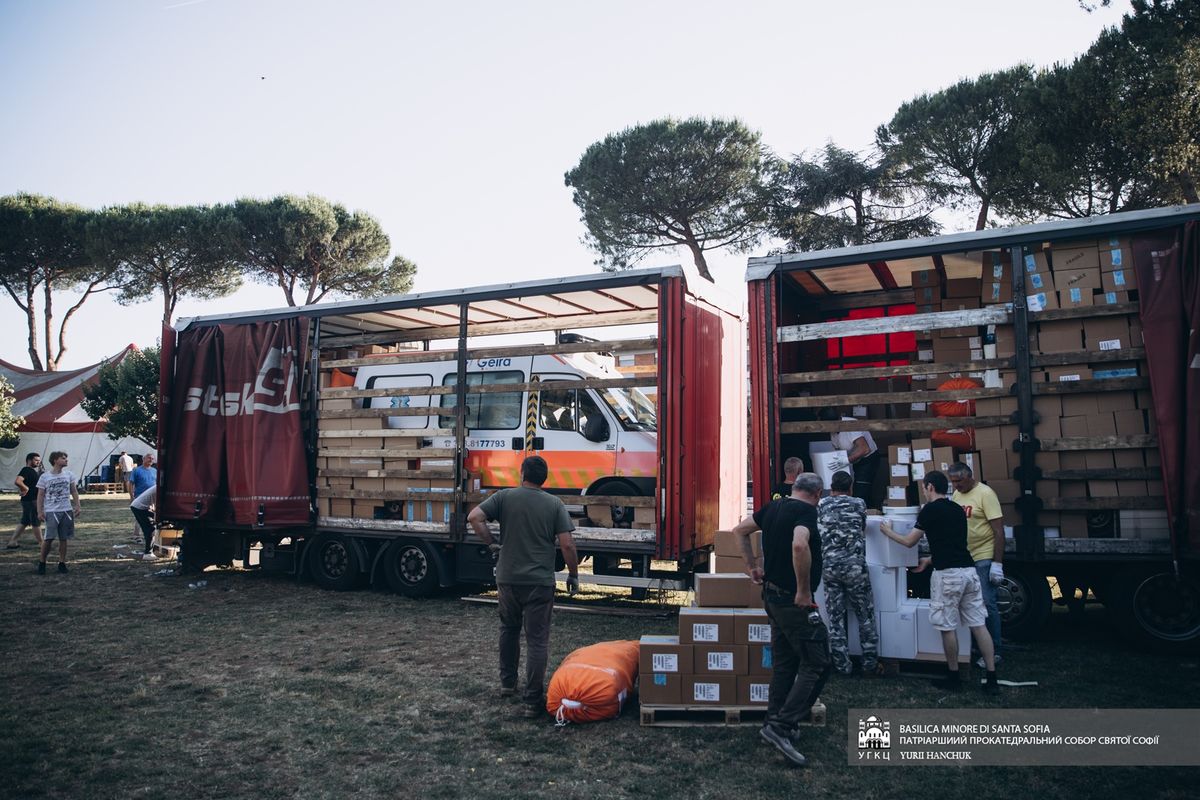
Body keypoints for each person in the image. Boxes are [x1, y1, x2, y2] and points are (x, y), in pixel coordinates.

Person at [466, 455, 579, 719]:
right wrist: (573, 574)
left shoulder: (505, 497)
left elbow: (475, 517)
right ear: (545, 479)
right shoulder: (554, 504)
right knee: (537, 640)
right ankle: (531, 700)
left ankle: (507, 684)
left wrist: (492, 543)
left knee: (508, 629)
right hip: (539, 582)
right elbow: (568, 545)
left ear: (521, 473)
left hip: (507, 579)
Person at [730, 472, 830, 767]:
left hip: (772, 598)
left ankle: (774, 719)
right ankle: (782, 726)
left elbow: (739, 531)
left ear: (794, 488)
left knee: (786, 663)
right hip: (792, 601)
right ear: (817, 494)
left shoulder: (772, 507)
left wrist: (752, 566)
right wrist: (803, 590)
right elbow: (800, 545)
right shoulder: (806, 512)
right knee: (818, 662)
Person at [879, 470, 998, 694]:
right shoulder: (957, 509)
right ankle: (992, 678)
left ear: (930, 487)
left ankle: (953, 676)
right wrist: (929, 560)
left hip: (948, 575)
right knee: (978, 624)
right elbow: (953, 544)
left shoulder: (929, 510)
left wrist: (887, 532)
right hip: (969, 571)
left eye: (924, 487)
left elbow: (908, 542)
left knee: (946, 626)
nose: (924, 491)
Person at [818, 470, 878, 676]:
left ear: (831, 487)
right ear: (850, 487)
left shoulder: (822, 504)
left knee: (835, 618)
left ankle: (842, 665)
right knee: (865, 615)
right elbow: (862, 528)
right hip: (855, 568)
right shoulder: (859, 504)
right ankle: (869, 664)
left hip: (830, 568)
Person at [946, 461, 1005, 666]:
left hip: (983, 555)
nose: (956, 486)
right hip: (965, 556)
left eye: (959, 481)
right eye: (953, 482)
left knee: (987, 603)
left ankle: (995, 650)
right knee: (967, 605)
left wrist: (997, 564)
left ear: (970, 476)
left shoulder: (985, 494)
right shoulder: (956, 495)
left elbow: (998, 530)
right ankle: (974, 647)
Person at [818, 407, 880, 503]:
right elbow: (838, 451)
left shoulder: (851, 425)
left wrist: (847, 460)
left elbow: (865, 449)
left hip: (868, 459)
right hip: (855, 460)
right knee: (853, 487)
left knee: (861, 489)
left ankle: (865, 511)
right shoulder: (833, 432)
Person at [36, 451, 81, 575]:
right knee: (49, 538)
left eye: (66, 458)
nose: (66, 460)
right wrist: (40, 511)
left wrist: (77, 505)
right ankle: (42, 562)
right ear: (55, 460)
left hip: (66, 510)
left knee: (64, 538)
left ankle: (62, 563)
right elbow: (40, 495)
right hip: (51, 511)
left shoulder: (69, 475)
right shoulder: (45, 477)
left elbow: (74, 491)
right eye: (63, 458)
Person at [8, 452, 43, 549]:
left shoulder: (31, 471)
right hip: (30, 500)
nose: (38, 462)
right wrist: (25, 488)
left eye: (39, 461)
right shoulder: (26, 470)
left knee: (25, 521)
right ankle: (41, 543)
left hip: (30, 500)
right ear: (29, 460)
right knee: (35, 520)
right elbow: (18, 481)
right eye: (36, 460)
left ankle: (12, 542)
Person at [130, 485, 158, 560]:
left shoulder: (160, 486)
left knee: (149, 529)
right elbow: (158, 506)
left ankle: (149, 550)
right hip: (140, 507)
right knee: (150, 529)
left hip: (139, 506)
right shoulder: (161, 488)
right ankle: (148, 553)